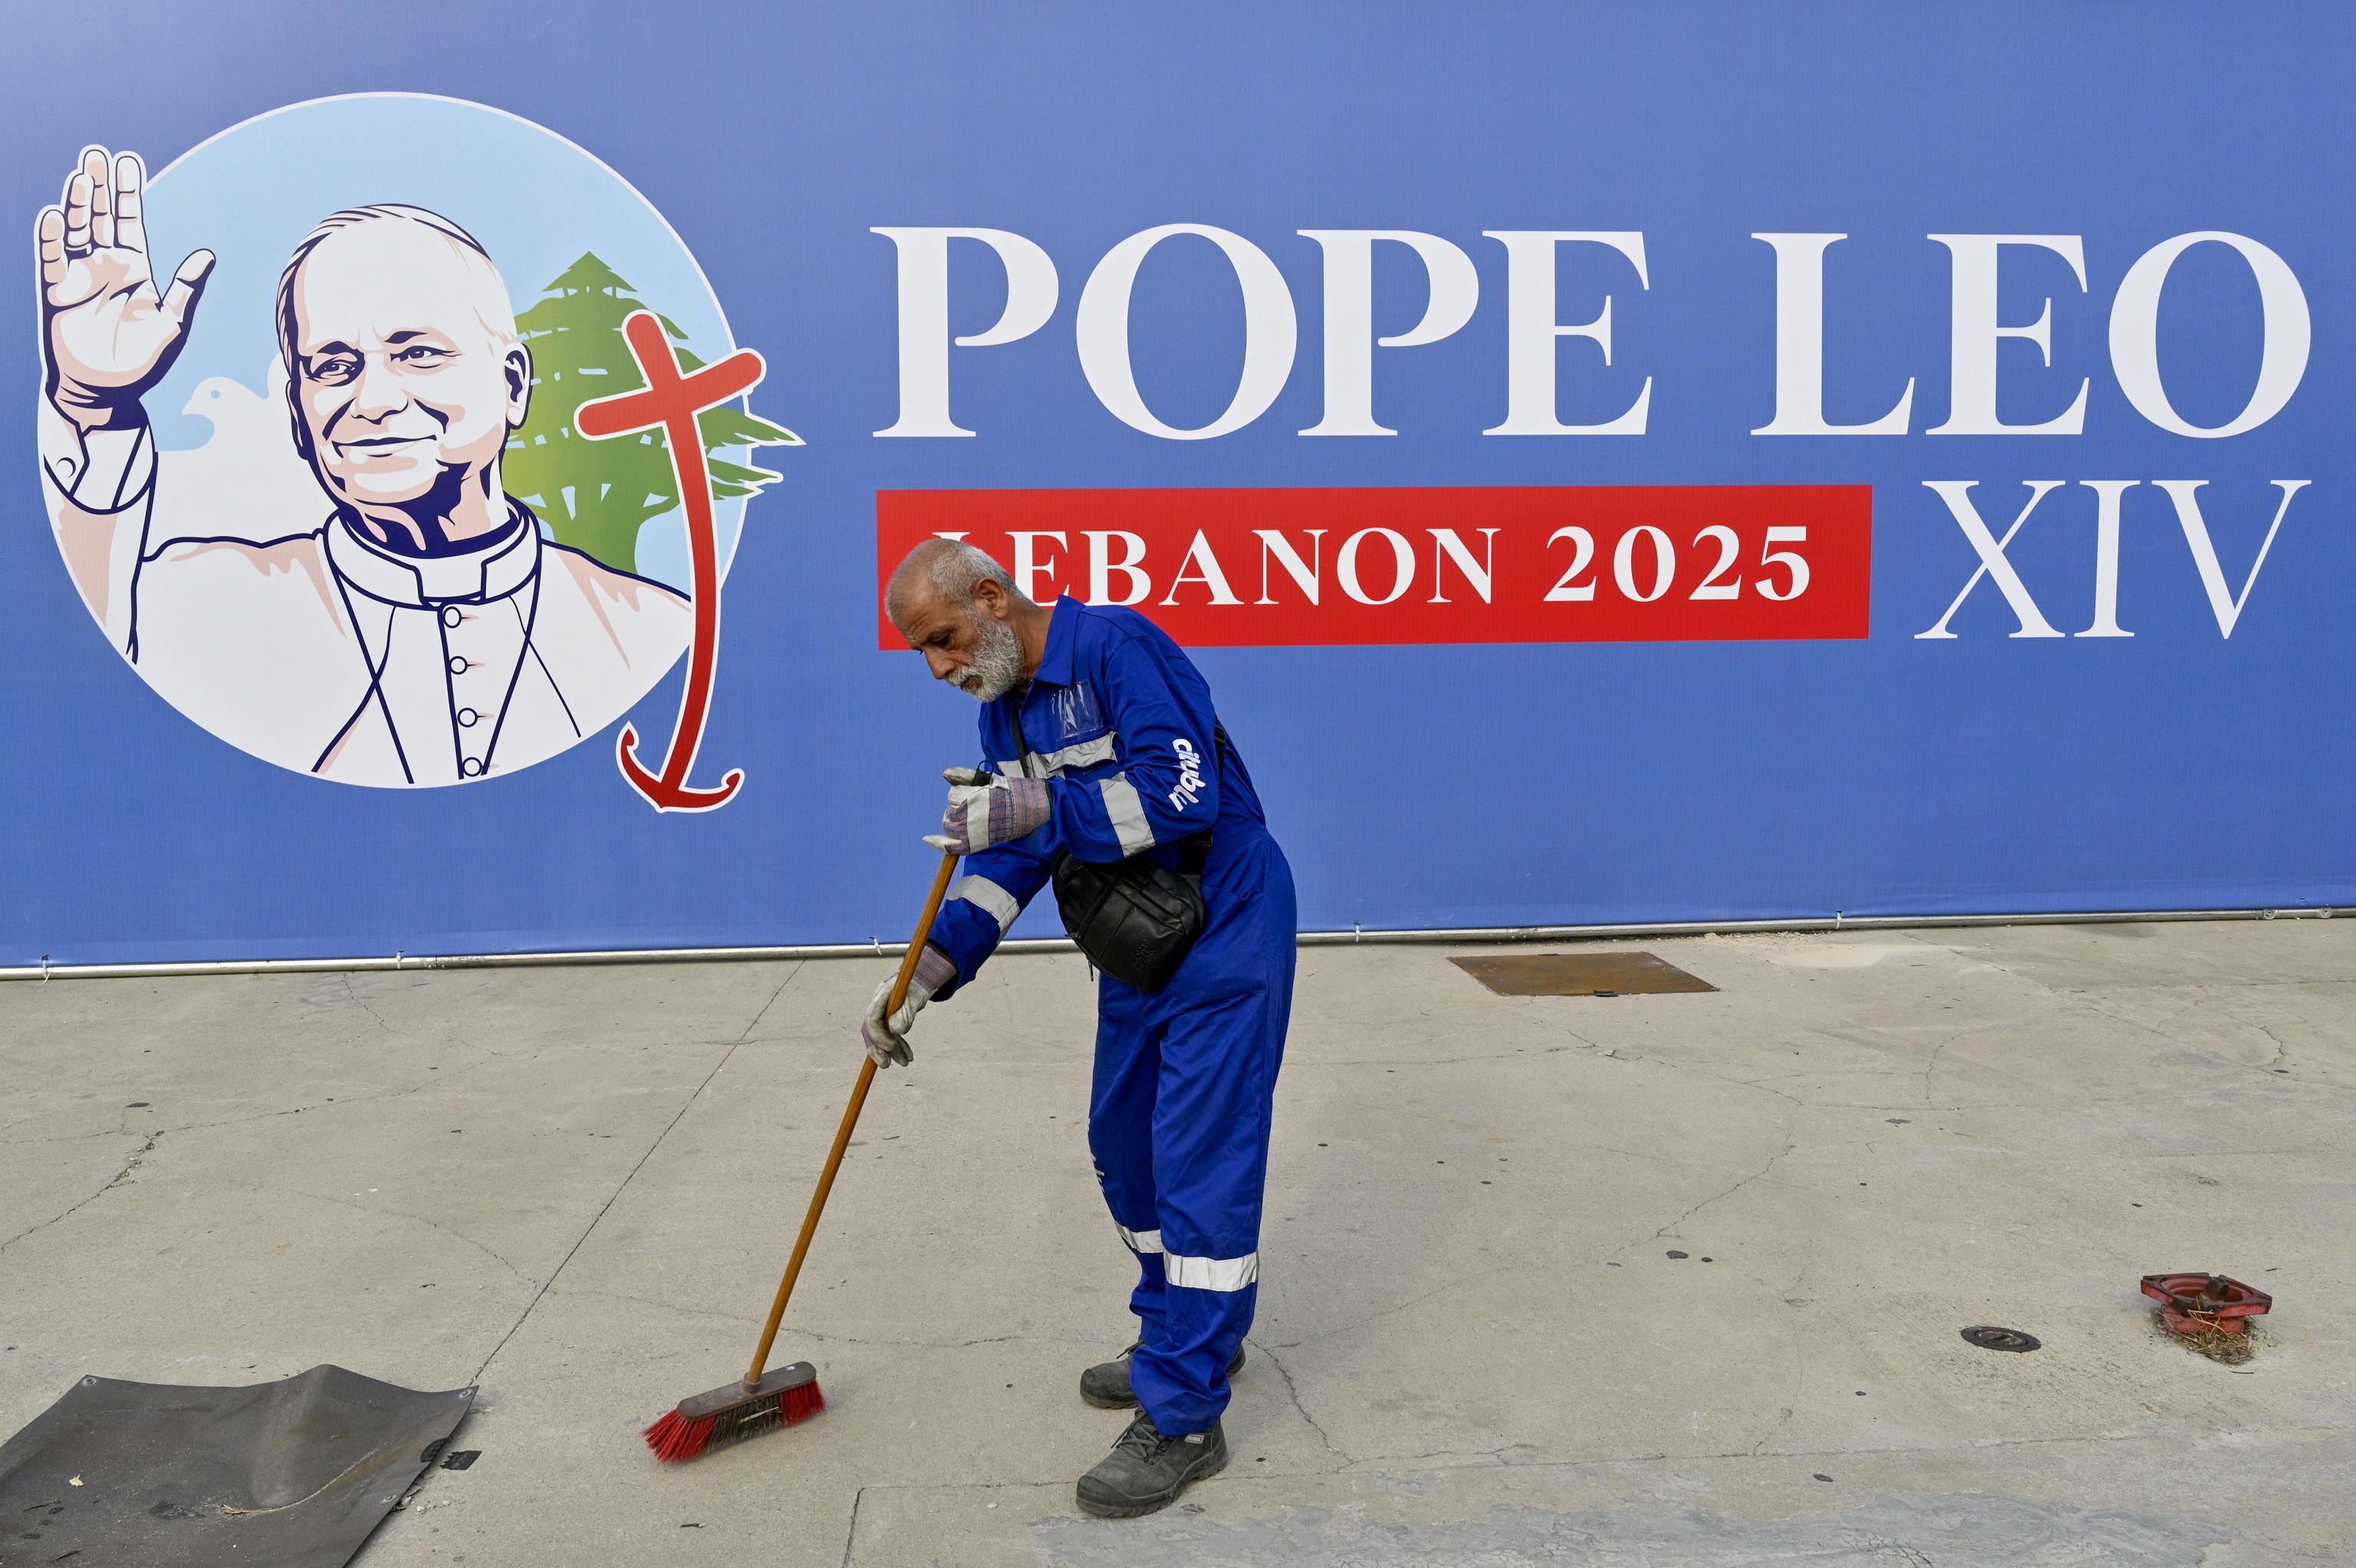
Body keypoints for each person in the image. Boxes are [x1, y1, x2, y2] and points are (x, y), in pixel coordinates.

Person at [35, 146, 689, 786]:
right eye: (333, 368)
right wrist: (92, 403)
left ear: (513, 385)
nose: (372, 401)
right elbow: (70, 658)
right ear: (298, 413)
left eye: (419, 354)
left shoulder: (654, 632)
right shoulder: (192, 604)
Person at [872, 539, 1297, 1518]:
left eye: (942, 640)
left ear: (990, 598)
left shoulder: (1116, 647)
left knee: (1199, 1160)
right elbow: (1007, 860)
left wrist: (1035, 803)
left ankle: (1186, 1411)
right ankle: (1180, 1329)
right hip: (1136, 937)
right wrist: (926, 972)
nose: (940, 667)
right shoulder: (1003, 707)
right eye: (924, 654)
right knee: (1123, 1146)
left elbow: (1181, 798)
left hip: (1222, 924)